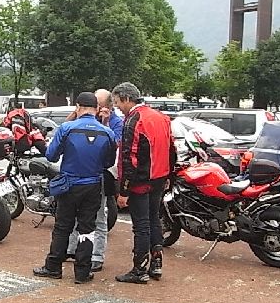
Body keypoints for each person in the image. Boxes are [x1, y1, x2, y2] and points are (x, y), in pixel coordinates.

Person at [33, 92, 117, 284]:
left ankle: (53, 267)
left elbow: (51, 156)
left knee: (63, 226)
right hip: (93, 185)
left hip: (69, 184)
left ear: (78, 107)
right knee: (87, 228)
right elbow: (109, 162)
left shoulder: (67, 128)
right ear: (97, 109)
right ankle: (82, 272)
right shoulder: (107, 132)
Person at [111, 82, 175, 284]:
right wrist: (169, 177)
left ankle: (139, 269)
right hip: (159, 177)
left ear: (126, 98)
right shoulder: (162, 117)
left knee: (141, 225)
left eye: (117, 102)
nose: (117, 107)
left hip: (141, 180)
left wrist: (124, 190)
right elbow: (171, 149)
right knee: (153, 219)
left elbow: (128, 158)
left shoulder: (134, 120)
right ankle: (156, 264)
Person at [65, 88, 123, 271]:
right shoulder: (84, 118)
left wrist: (105, 122)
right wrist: (75, 112)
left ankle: (97, 255)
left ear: (107, 106)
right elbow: (64, 129)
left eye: (98, 104)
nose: (95, 107)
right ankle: (72, 249)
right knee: (75, 214)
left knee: (99, 216)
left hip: (102, 174)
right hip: (81, 172)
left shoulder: (116, 122)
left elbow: (114, 147)